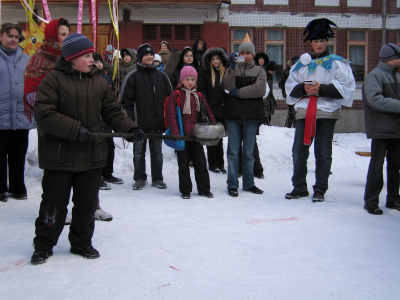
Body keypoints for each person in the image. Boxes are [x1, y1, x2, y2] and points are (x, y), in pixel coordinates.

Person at [31, 33, 143, 265]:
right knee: (53, 203)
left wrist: (129, 129)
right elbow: (44, 114)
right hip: (59, 156)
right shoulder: (52, 81)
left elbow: (112, 112)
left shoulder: (100, 83)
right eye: (86, 55)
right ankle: (43, 244)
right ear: (71, 58)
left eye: (92, 54)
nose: (92, 59)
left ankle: (81, 243)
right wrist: (75, 129)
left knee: (86, 204)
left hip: (91, 155)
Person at [285, 18, 355, 202]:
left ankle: (320, 189)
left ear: (327, 42)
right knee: (299, 152)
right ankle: (299, 187)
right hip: (304, 113)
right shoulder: (301, 65)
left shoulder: (338, 64)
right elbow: (289, 85)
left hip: (326, 113)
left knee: (323, 153)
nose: (318, 44)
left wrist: (321, 89)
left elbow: (347, 86)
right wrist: (303, 89)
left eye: (322, 40)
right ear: (310, 43)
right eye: (315, 41)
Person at [121, 43, 173, 190]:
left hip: (157, 123)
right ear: (140, 58)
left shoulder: (162, 76)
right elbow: (126, 102)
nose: (149, 57)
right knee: (138, 153)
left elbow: (170, 100)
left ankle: (157, 179)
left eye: (151, 54)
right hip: (139, 124)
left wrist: (166, 119)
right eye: (145, 55)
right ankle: (139, 178)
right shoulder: (133, 76)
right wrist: (131, 122)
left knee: (157, 153)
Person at [223, 41, 267, 197]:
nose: (245, 56)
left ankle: (249, 184)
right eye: (242, 53)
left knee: (249, 153)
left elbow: (260, 89)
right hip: (234, 115)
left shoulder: (259, 70)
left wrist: (239, 92)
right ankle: (232, 184)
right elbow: (227, 86)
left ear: (253, 55)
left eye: (248, 53)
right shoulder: (232, 69)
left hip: (251, 116)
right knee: (233, 153)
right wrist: (231, 68)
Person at [166, 66, 216, 199]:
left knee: (200, 162)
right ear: (181, 80)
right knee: (183, 164)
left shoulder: (198, 95)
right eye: (187, 79)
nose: (190, 82)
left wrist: (214, 125)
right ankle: (185, 190)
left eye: (193, 79)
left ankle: (204, 189)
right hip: (182, 136)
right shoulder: (175, 94)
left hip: (196, 135)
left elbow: (207, 111)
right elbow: (171, 115)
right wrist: (177, 134)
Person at [362, 43, 400, 215]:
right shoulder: (375, 76)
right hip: (380, 128)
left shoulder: (396, 75)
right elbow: (375, 100)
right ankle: (371, 201)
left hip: (396, 128)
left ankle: (393, 198)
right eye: (398, 57)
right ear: (389, 59)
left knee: (395, 165)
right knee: (377, 165)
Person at [0, 23, 31, 202]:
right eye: (9, 36)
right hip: (1, 115)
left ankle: (18, 188)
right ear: (1, 36)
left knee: (18, 154)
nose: (13, 39)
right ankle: (0, 189)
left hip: (20, 115)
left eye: (16, 37)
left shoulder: (27, 60)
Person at [197, 48, 229, 174]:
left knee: (220, 138)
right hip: (211, 109)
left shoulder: (225, 72)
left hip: (223, 109)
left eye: (217, 59)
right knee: (211, 138)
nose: (215, 61)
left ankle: (220, 164)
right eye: (213, 59)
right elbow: (202, 89)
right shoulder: (205, 73)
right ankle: (212, 164)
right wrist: (207, 105)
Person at [279, 56, 300, 128]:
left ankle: (289, 127)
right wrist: (286, 91)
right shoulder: (287, 71)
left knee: (293, 112)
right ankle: (291, 127)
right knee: (292, 111)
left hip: (299, 95)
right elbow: (281, 83)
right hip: (290, 95)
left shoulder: (301, 71)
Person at [264, 61, 278, 125]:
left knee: (268, 116)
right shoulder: (264, 75)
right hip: (264, 98)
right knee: (265, 116)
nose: (273, 72)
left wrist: (273, 99)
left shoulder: (270, 76)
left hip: (268, 99)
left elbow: (270, 90)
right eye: (272, 71)